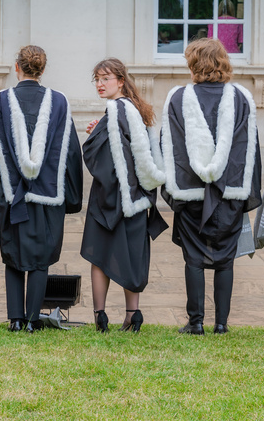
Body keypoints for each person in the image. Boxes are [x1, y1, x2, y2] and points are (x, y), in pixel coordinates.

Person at [160, 38, 262, 335]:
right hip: (230, 189)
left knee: (193, 257)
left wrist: (173, 189)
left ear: (193, 63)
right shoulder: (241, 97)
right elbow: (250, 147)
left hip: (190, 190)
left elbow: (170, 145)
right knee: (225, 259)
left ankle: (196, 323)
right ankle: (221, 324)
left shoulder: (178, 97)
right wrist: (245, 191)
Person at [0, 45, 83, 332]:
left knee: (13, 256)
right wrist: (72, 198)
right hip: (48, 194)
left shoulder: (0, 101)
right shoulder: (60, 102)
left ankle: (15, 319)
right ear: (42, 69)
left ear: (17, 67)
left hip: (12, 194)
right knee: (41, 259)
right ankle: (31, 320)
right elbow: (71, 152)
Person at [80, 58, 168, 333]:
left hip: (110, 198)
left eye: (105, 78)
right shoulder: (136, 111)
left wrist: (94, 135)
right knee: (132, 254)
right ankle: (133, 314)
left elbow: (96, 155)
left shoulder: (116, 110)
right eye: (97, 79)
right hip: (136, 197)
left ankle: (100, 315)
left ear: (120, 80)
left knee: (99, 256)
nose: (100, 84)